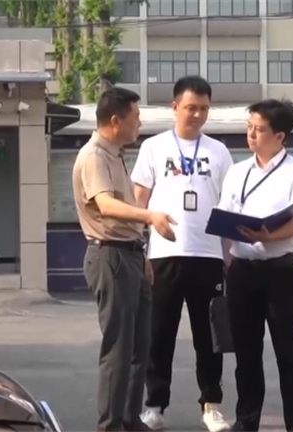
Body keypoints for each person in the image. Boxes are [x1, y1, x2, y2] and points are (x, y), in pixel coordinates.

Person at [130, 76, 234, 432]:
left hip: (208, 256)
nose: (198, 114)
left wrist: (228, 252)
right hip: (164, 255)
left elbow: (227, 205)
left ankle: (211, 405)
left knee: (210, 337)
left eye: (204, 108)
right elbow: (139, 201)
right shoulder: (153, 147)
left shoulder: (218, 152)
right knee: (159, 334)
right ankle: (155, 406)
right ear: (175, 107)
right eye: (191, 107)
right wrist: (140, 248)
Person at [72, 87, 178, 431]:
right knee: (118, 349)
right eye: (136, 117)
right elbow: (106, 205)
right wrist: (150, 217)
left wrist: (142, 251)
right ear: (116, 121)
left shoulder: (115, 154)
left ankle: (130, 420)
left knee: (139, 347)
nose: (140, 123)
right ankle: (111, 425)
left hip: (130, 254)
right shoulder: (94, 156)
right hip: (110, 256)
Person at [216, 99, 293, 432]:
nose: (251, 134)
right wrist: (227, 256)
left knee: (287, 353)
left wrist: (268, 236)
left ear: (280, 135)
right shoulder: (237, 172)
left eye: (259, 129)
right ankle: (246, 422)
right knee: (246, 354)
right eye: (249, 127)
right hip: (242, 272)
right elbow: (224, 215)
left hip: (281, 273)